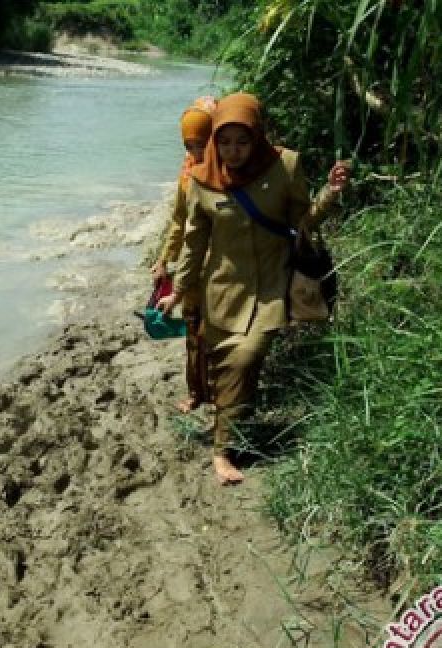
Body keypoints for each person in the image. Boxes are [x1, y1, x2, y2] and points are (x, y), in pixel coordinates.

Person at [156, 92, 351, 485]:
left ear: (257, 136)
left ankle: (222, 452)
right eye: (224, 142)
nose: (232, 151)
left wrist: (329, 194)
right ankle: (227, 423)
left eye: (241, 141)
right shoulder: (201, 179)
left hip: (267, 289)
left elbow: (303, 222)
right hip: (220, 291)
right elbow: (194, 243)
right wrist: (178, 291)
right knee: (223, 368)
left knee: (246, 359)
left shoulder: (285, 166)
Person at [150, 96, 216, 412]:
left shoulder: (232, 172)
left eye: (202, 143)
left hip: (224, 266)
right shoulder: (187, 172)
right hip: (193, 264)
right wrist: (164, 259)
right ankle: (197, 392)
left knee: (219, 330)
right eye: (189, 145)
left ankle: (221, 392)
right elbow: (179, 219)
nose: (196, 152)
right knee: (192, 328)